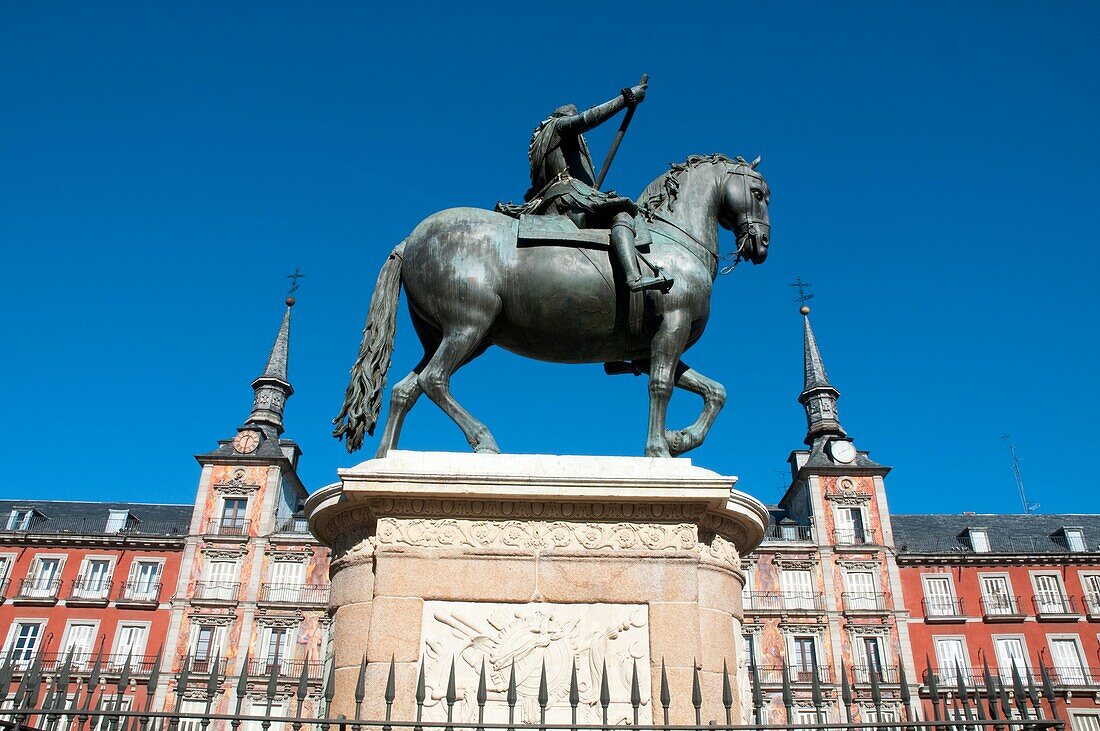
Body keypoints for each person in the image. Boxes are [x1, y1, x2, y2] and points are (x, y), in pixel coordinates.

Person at [522, 80, 671, 292]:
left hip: (563, 196)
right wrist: (625, 99)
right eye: (572, 115)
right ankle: (633, 277)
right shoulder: (557, 126)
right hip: (568, 195)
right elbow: (587, 119)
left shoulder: (545, 142)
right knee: (622, 212)